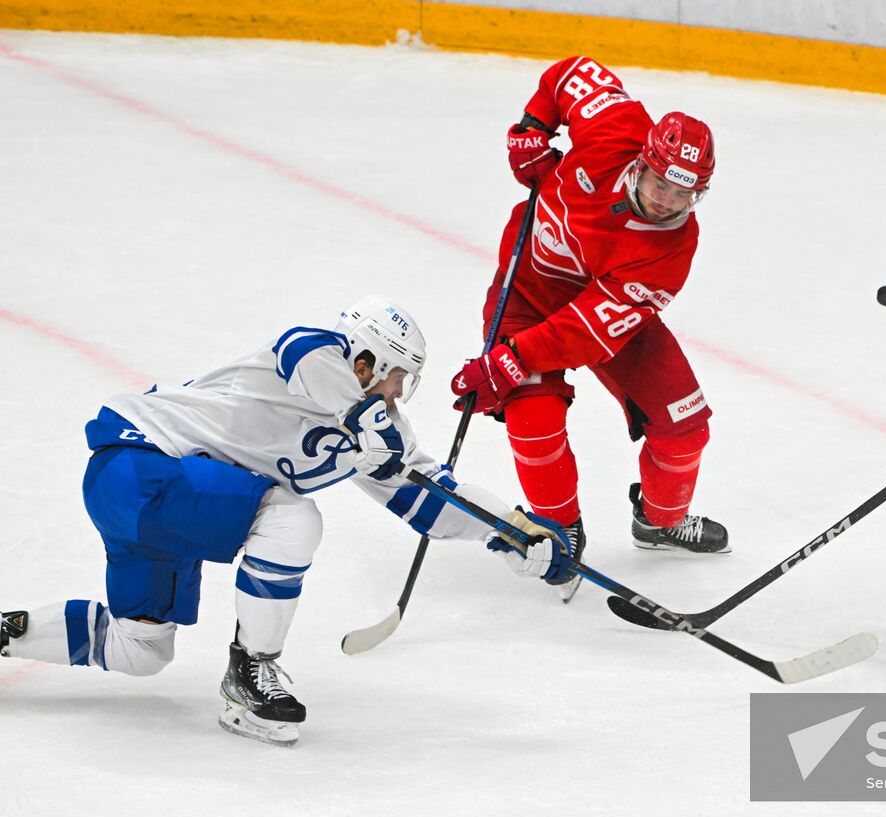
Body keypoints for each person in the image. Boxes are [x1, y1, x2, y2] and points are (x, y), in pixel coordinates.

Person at [0, 297, 572, 746]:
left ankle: (7, 633)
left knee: (141, 650)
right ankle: (250, 673)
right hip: (141, 465)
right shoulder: (313, 357)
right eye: (396, 375)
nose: (400, 392)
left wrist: (511, 530)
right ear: (365, 359)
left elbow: (426, 502)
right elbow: (303, 351)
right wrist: (365, 418)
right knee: (291, 517)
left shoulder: (371, 433)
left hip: (158, 506)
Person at [450, 56, 730, 601]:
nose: (669, 202)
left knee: (685, 427)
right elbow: (570, 73)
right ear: (643, 161)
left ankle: (660, 520)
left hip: (604, 321)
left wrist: (510, 359)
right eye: (662, 186)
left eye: (686, 194)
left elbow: (587, 330)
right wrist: (533, 128)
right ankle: (558, 529)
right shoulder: (616, 127)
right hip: (527, 296)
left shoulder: (673, 247)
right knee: (532, 416)